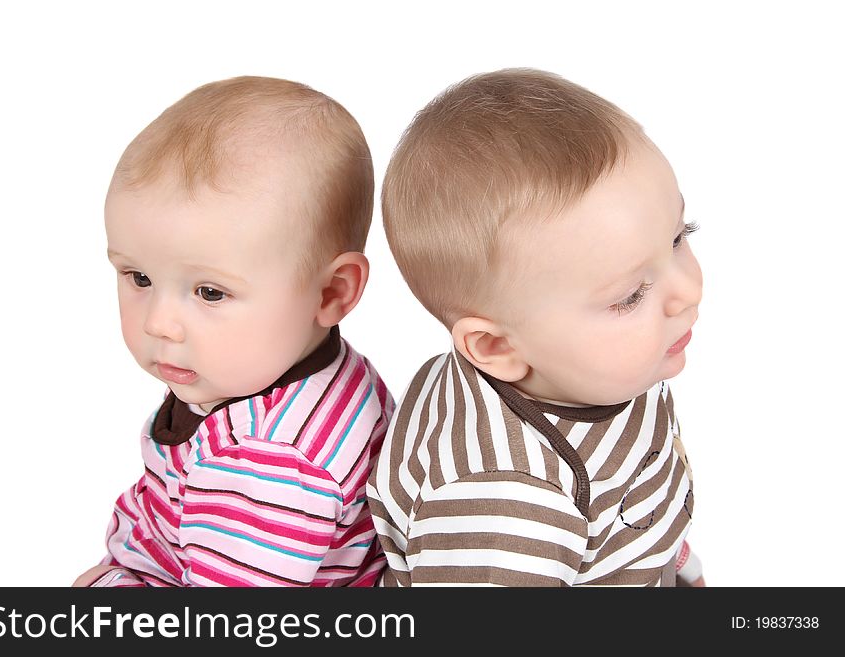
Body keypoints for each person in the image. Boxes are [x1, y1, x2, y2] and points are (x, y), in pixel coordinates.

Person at [368, 68, 705, 586]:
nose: (685, 291)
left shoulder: (596, 366)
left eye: (679, 238)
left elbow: (638, 478)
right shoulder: (507, 504)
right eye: (631, 295)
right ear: (496, 346)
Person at [73, 76, 393, 587]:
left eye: (211, 293)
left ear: (331, 292)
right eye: (140, 278)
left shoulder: (270, 464)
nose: (159, 323)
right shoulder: (264, 364)